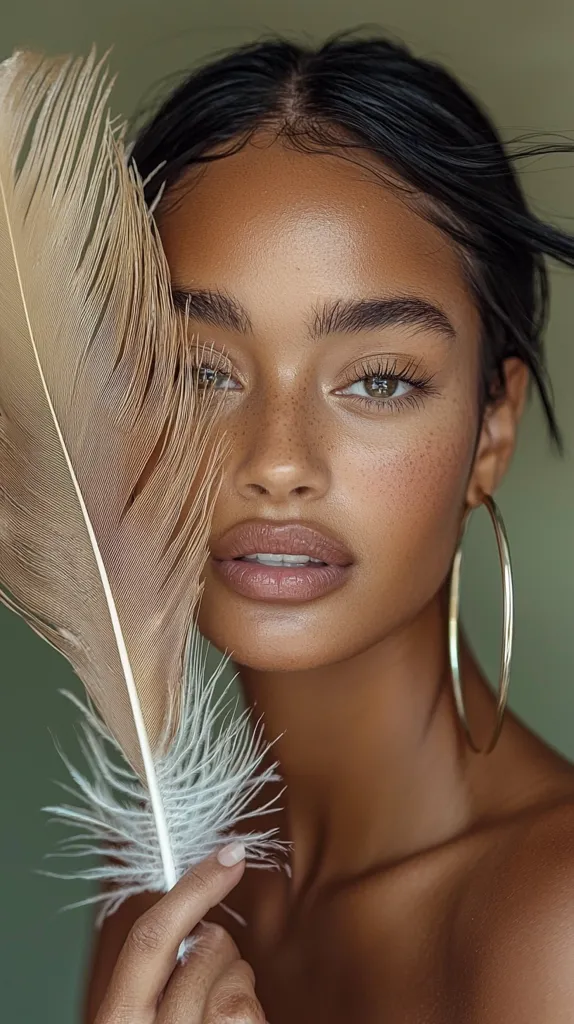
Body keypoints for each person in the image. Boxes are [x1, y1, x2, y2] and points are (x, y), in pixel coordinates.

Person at [86, 30, 574, 1023]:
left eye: (378, 379)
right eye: (200, 372)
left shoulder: (553, 924)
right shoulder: (149, 887)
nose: (276, 460)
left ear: (492, 429)